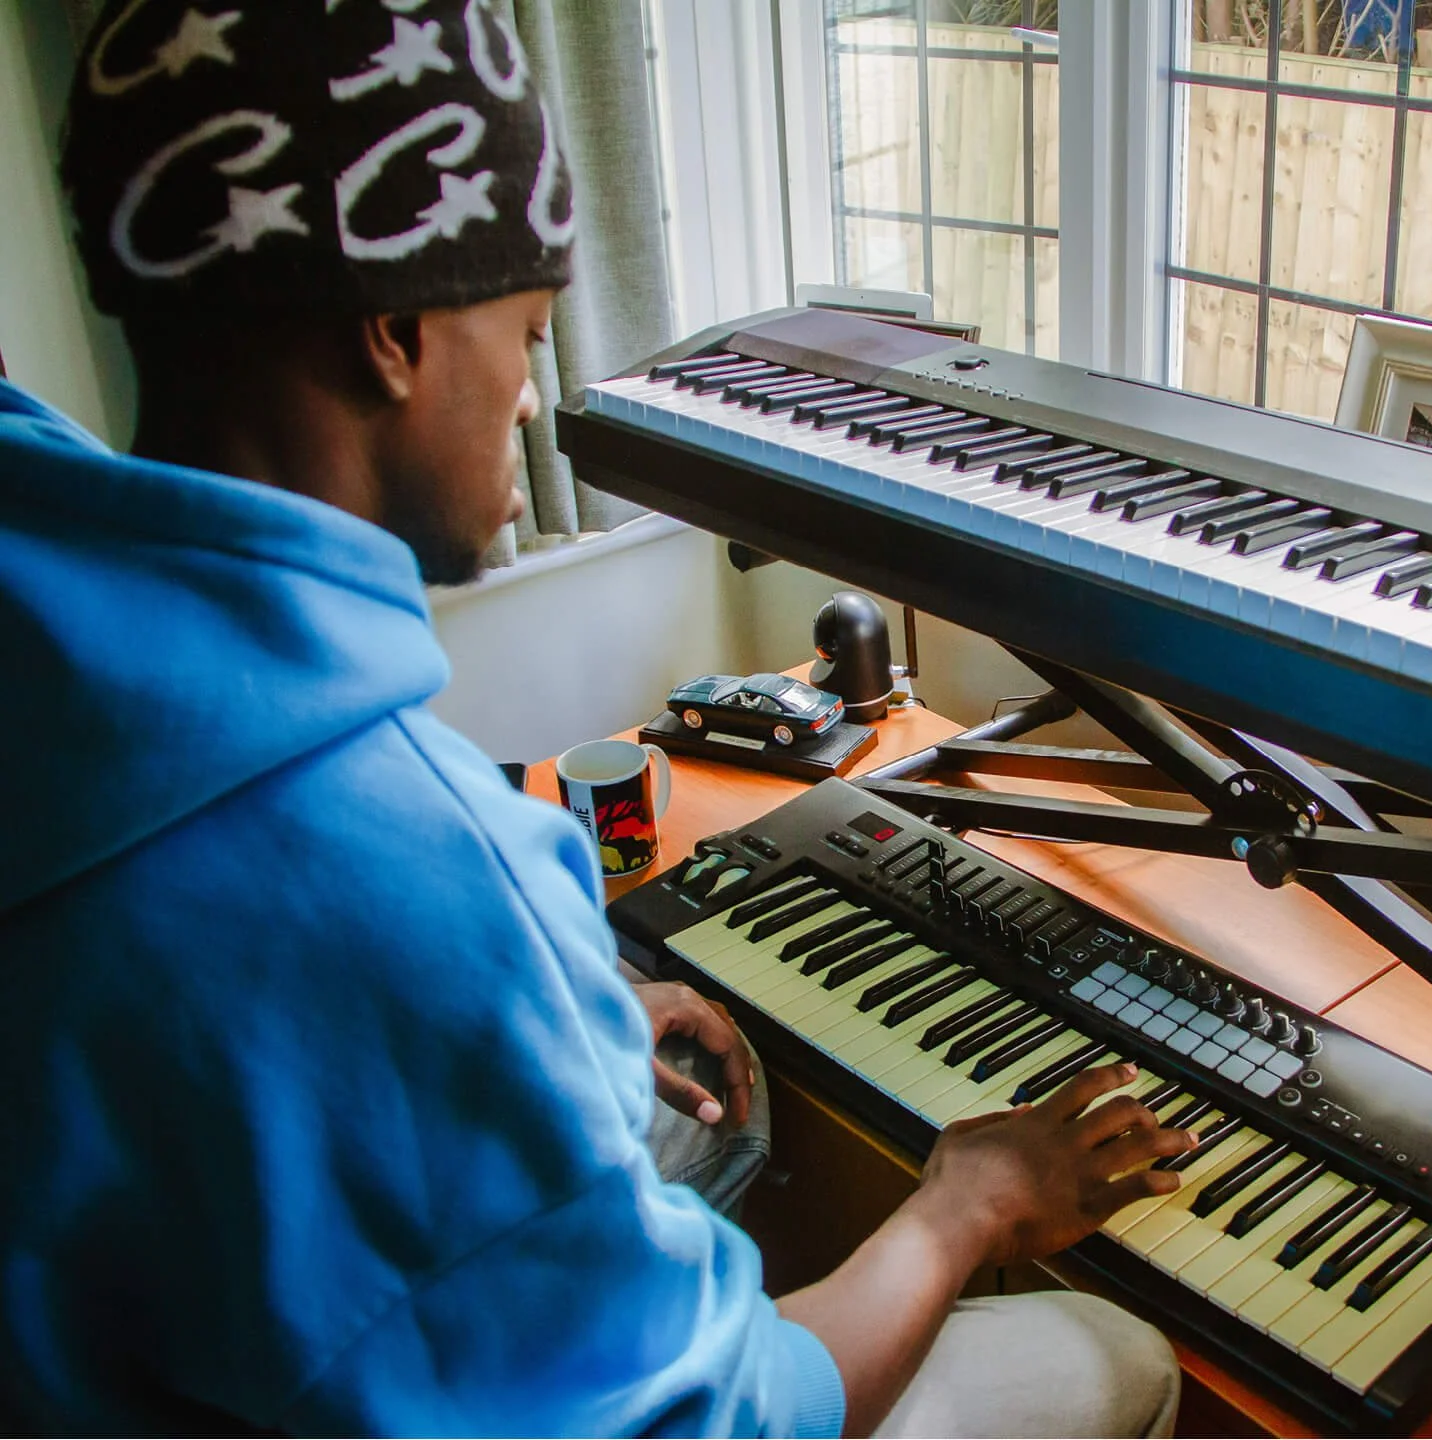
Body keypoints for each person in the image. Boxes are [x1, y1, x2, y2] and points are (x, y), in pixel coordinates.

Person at [0, 2, 1193, 1434]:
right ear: (395, 335)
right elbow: (732, 1421)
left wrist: (570, 1016)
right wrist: (967, 1204)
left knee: (725, 1112)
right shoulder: (430, 884)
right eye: (525, 333)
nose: (526, 404)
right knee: (1116, 1358)